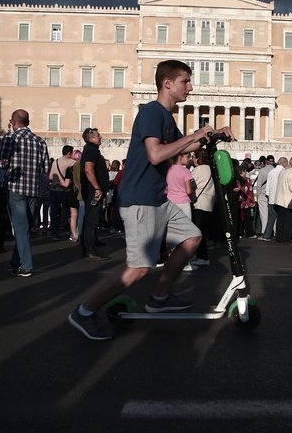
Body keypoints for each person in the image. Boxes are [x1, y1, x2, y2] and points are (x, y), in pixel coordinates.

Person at [68, 59, 235, 340]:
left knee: (192, 238)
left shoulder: (167, 118)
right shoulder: (150, 113)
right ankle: (84, 311)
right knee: (139, 267)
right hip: (139, 199)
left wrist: (213, 135)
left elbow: (187, 147)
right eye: (185, 81)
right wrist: (196, 134)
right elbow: (157, 154)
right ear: (167, 83)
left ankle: (160, 297)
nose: (190, 88)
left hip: (158, 199)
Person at [0, 109, 49, 277]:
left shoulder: (10, 139)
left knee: (20, 228)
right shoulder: (40, 141)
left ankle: (26, 265)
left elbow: (3, 164)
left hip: (16, 187)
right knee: (25, 228)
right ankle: (15, 261)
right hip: (34, 188)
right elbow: (46, 168)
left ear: (13, 122)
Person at [80, 128, 111, 261]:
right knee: (91, 221)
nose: (101, 137)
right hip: (94, 191)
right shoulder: (91, 150)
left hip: (95, 191)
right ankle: (90, 249)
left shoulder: (91, 150)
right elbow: (88, 169)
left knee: (92, 219)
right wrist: (97, 188)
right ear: (90, 138)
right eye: (98, 135)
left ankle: (91, 243)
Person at [190, 147, 215, 267]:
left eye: (194, 157)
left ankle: (202, 256)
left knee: (197, 231)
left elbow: (188, 184)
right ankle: (202, 256)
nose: (192, 159)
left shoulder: (198, 170)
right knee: (202, 231)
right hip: (209, 203)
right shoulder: (211, 169)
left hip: (199, 203)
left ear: (198, 158)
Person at [48, 145, 74, 240]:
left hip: (53, 189)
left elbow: (50, 176)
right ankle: (73, 232)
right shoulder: (71, 162)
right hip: (64, 190)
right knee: (69, 212)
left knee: (54, 213)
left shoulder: (56, 161)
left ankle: (54, 233)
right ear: (69, 153)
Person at [274, 156, 292, 245]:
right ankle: (286, 238)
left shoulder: (283, 170)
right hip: (287, 200)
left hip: (280, 199)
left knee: (280, 219)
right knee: (288, 221)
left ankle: (279, 237)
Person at [261, 157, 286, 241]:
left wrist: (268, 195)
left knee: (271, 218)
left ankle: (266, 235)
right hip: (281, 199)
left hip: (271, 198)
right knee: (281, 218)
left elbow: (267, 186)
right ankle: (278, 235)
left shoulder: (272, 172)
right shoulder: (284, 172)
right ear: (284, 163)